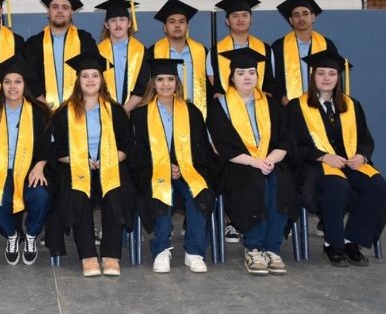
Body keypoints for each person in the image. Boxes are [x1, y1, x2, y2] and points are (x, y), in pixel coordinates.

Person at [287, 49, 386, 267]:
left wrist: (362, 155)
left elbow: (364, 138)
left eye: (331, 73)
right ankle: (333, 244)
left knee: (378, 185)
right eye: (320, 73)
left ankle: (352, 240)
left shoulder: (352, 105)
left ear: (338, 77)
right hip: (314, 166)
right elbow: (294, 145)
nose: (326, 78)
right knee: (337, 185)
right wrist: (322, 156)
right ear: (313, 77)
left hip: (350, 163)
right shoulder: (297, 106)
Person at [207, 48, 297, 276]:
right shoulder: (220, 107)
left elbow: (284, 139)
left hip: (270, 161)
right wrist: (255, 162)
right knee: (252, 182)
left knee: (280, 180)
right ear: (232, 77)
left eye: (251, 72)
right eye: (241, 73)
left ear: (258, 76)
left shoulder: (270, 104)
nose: (247, 77)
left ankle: (273, 248)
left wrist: (268, 160)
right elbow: (223, 146)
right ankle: (254, 246)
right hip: (236, 165)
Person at [47, 51, 135, 277]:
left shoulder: (115, 111)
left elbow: (127, 147)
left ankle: (111, 255)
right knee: (78, 194)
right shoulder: (64, 112)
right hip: (75, 168)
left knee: (115, 192)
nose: (90, 80)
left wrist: (109, 159)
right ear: (78, 80)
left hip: (111, 166)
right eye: (85, 76)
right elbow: (56, 152)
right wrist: (80, 160)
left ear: (102, 79)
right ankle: (88, 256)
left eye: (94, 75)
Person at [130, 59, 213, 274]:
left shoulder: (192, 112)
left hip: (188, 170)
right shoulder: (140, 115)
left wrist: (183, 169)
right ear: (153, 84)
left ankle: (194, 252)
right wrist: (164, 169)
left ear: (177, 83)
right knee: (160, 191)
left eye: (170, 79)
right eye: (160, 79)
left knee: (198, 192)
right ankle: (161, 250)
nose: (165, 84)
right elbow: (137, 154)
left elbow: (201, 149)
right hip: (152, 171)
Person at [0, 56, 53, 265]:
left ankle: (31, 235)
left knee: (41, 195)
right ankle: (11, 235)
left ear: (25, 84)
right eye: (7, 81)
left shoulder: (39, 112)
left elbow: (48, 146)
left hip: (30, 170)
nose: (12, 86)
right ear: (2, 85)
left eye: (17, 81)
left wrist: (41, 165)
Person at [24, 0, 97, 110]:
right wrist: (43, 106)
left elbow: (94, 74)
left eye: (65, 7)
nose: (60, 11)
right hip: (42, 110)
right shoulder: (34, 43)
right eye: (55, 7)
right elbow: (29, 78)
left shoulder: (85, 40)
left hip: (80, 109)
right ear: (48, 12)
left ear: (71, 13)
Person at [272, 0, 338, 106]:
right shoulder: (278, 47)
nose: (301, 18)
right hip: (288, 109)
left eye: (305, 14)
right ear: (291, 21)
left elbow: (335, 78)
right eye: (296, 15)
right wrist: (284, 101)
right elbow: (273, 80)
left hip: (320, 107)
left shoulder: (327, 45)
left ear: (313, 17)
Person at [207, 0, 275, 98]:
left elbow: (270, 81)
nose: (240, 19)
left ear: (251, 19)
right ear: (227, 21)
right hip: (227, 108)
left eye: (245, 15)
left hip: (259, 106)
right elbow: (214, 83)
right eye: (235, 16)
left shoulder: (266, 49)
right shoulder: (214, 51)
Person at [150, 0, 210, 117]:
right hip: (164, 114)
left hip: (196, 113)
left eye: (181, 21)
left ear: (187, 26)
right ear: (165, 27)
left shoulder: (201, 51)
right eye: (172, 22)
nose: (177, 25)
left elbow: (209, 86)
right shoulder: (153, 52)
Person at [94, 0, 149, 113]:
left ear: (129, 23)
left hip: (134, 112)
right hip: (104, 112)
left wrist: (123, 111)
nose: (118, 24)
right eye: (113, 20)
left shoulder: (141, 51)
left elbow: (142, 87)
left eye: (122, 20)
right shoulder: (98, 51)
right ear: (107, 25)